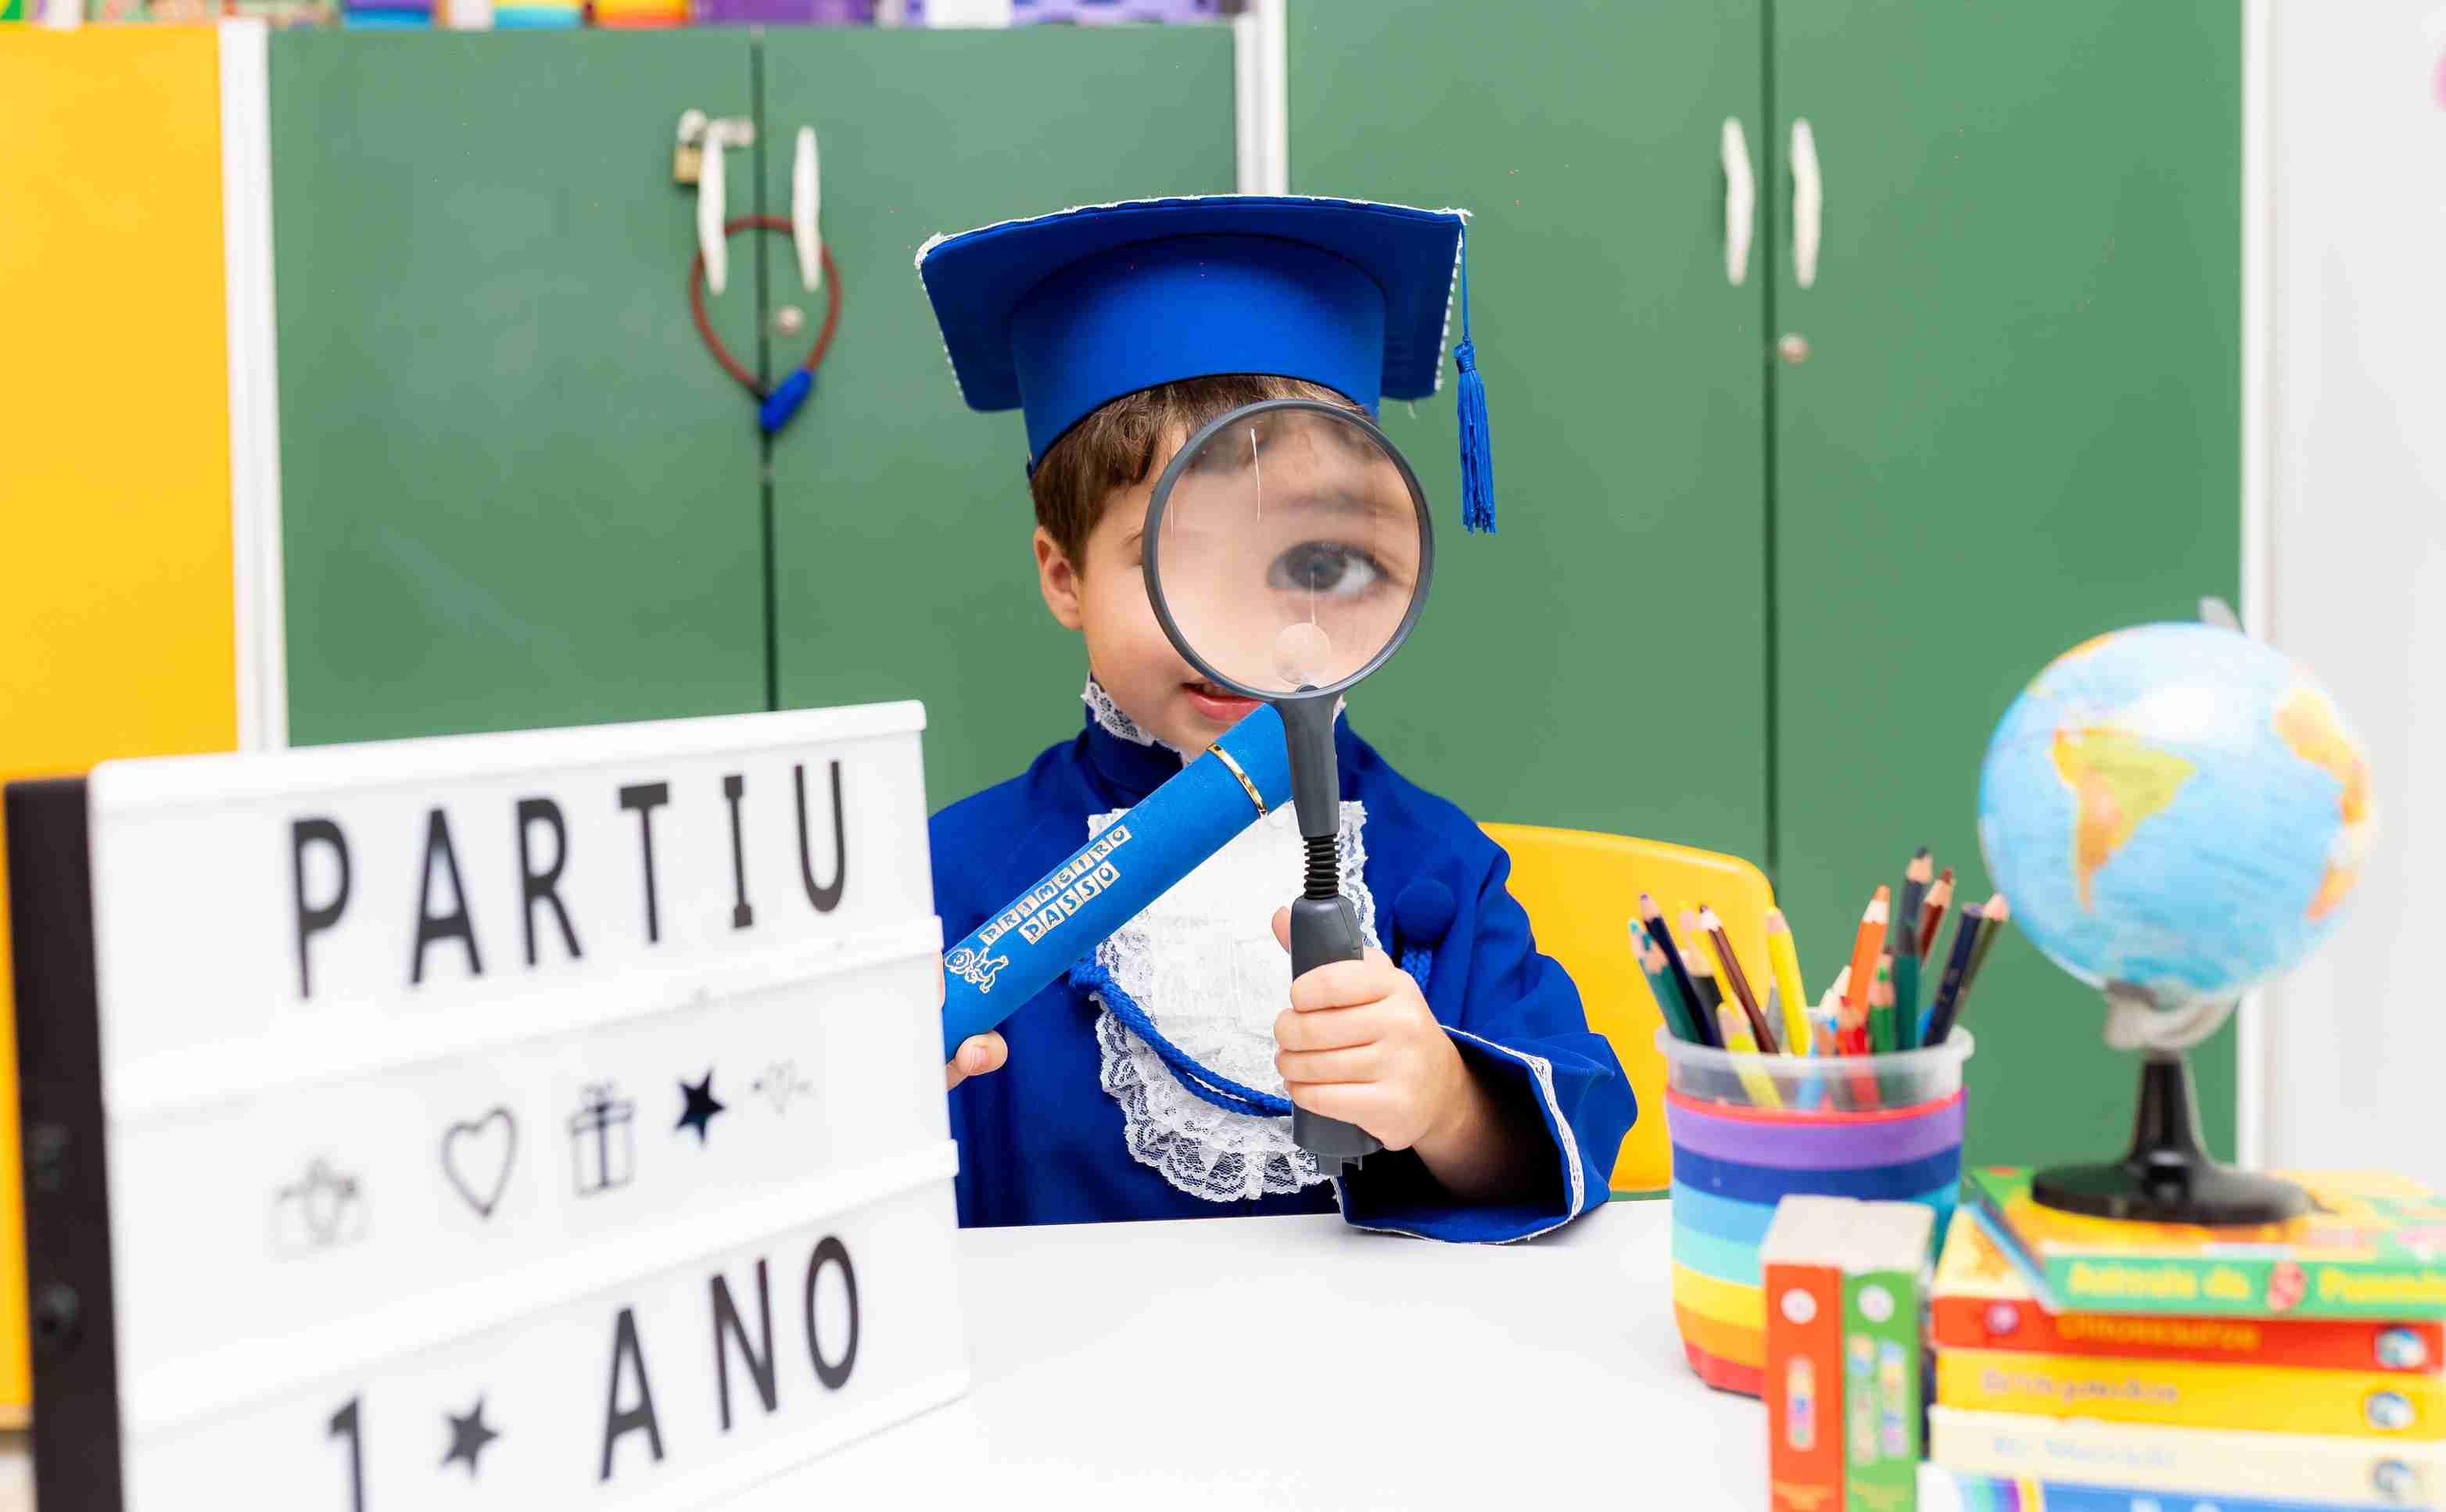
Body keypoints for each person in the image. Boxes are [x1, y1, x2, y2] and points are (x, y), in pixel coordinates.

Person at [919, 195, 1632, 1243]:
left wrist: (1450, 1105)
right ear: (1063, 574)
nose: (1243, 637)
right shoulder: (953, 882)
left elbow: (1569, 1138)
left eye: (1317, 565)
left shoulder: (1436, 864)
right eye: (1177, 564)